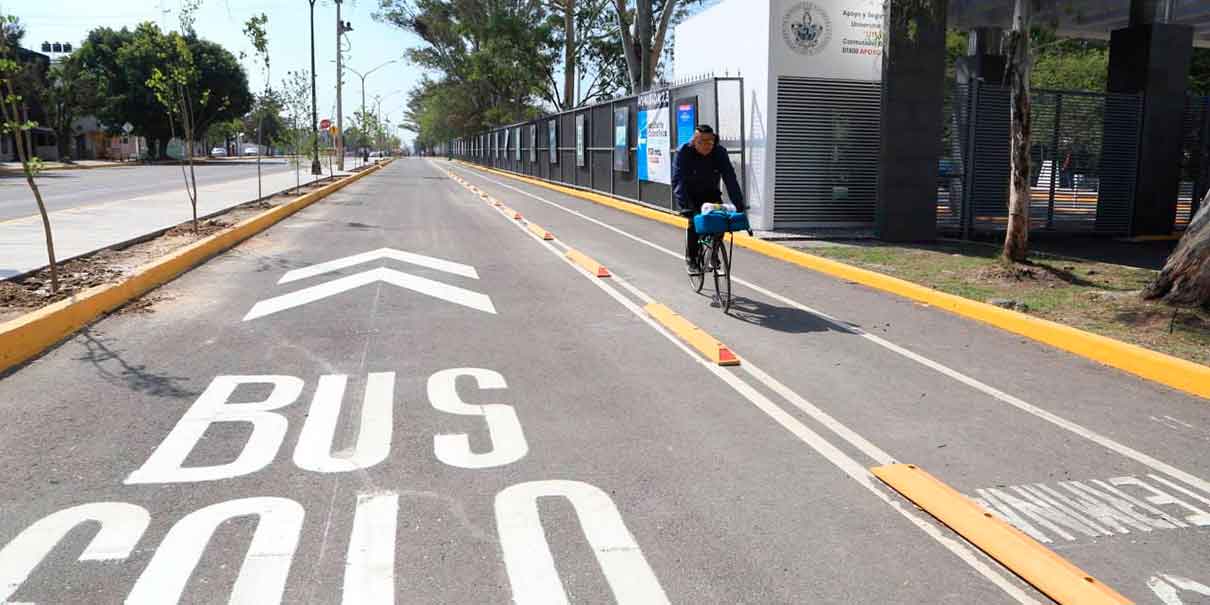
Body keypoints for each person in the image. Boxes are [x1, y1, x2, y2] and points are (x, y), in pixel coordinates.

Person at [672, 124, 745, 273]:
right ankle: (692, 259)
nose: (706, 146)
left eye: (710, 142)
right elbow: (678, 181)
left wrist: (739, 203)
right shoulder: (684, 152)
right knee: (695, 223)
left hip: (711, 192)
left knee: (721, 220)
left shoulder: (719, 152)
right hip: (690, 194)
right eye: (702, 142)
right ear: (694, 141)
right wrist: (686, 206)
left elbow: (730, 179)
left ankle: (714, 254)